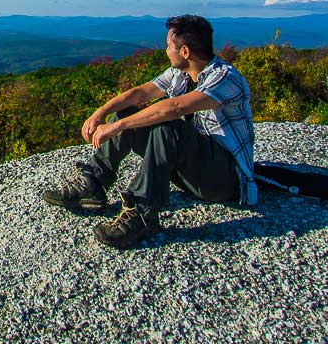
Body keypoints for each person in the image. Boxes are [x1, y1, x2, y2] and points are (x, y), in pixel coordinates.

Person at [43, 14, 256, 248]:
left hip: (224, 180)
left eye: (168, 46)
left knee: (168, 127)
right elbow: (141, 93)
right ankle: (93, 183)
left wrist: (117, 127)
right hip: (193, 169)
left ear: (185, 51)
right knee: (127, 114)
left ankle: (143, 213)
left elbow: (175, 107)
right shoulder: (181, 74)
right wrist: (101, 113)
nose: (165, 51)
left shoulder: (226, 77)